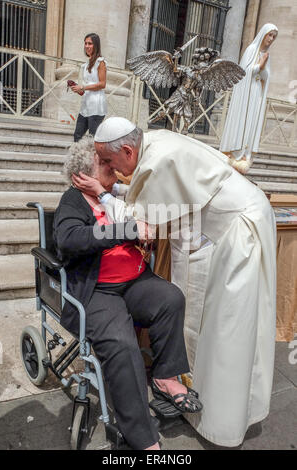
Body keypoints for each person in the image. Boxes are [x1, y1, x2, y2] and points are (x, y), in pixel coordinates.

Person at [72, 117, 277, 448]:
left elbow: (139, 223)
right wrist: (113, 191)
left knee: (228, 328)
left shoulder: (159, 159)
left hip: (238, 232)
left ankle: (222, 419)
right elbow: (148, 194)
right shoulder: (154, 143)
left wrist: (105, 195)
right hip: (224, 228)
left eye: (110, 162)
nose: (111, 169)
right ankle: (184, 391)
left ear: (127, 149)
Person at [53, 136, 202, 450]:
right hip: (98, 292)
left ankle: (165, 376)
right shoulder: (73, 200)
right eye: (104, 164)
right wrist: (125, 231)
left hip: (134, 281)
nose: (112, 166)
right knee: (122, 346)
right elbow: (67, 239)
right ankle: (143, 439)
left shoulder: (113, 193)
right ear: (83, 175)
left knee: (170, 298)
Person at [220, 24, 278, 174]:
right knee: (242, 120)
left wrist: (263, 68)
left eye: (274, 37)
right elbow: (244, 73)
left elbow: (266, 77)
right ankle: (236, 153)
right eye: (269, 35)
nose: (271, 39)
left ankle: (245, 154)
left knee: (251, 122)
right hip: (245, 93)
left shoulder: (266, 54)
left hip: (256, 94)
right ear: (263, 35)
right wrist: (260, 65)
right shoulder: (251, 50)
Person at [71, 33, 107, 142]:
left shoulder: (101, 62)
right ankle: (77, 159)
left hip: (96, 105)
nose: (87, 46)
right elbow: (87, 86)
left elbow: (102, 84)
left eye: (90, 43)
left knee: (93, 138)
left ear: (96, 45)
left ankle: (93, 159)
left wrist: (83, 87)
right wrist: (79, 90)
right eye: (85, 43)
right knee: (77, 136)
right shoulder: (86, 64)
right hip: (86, 104)